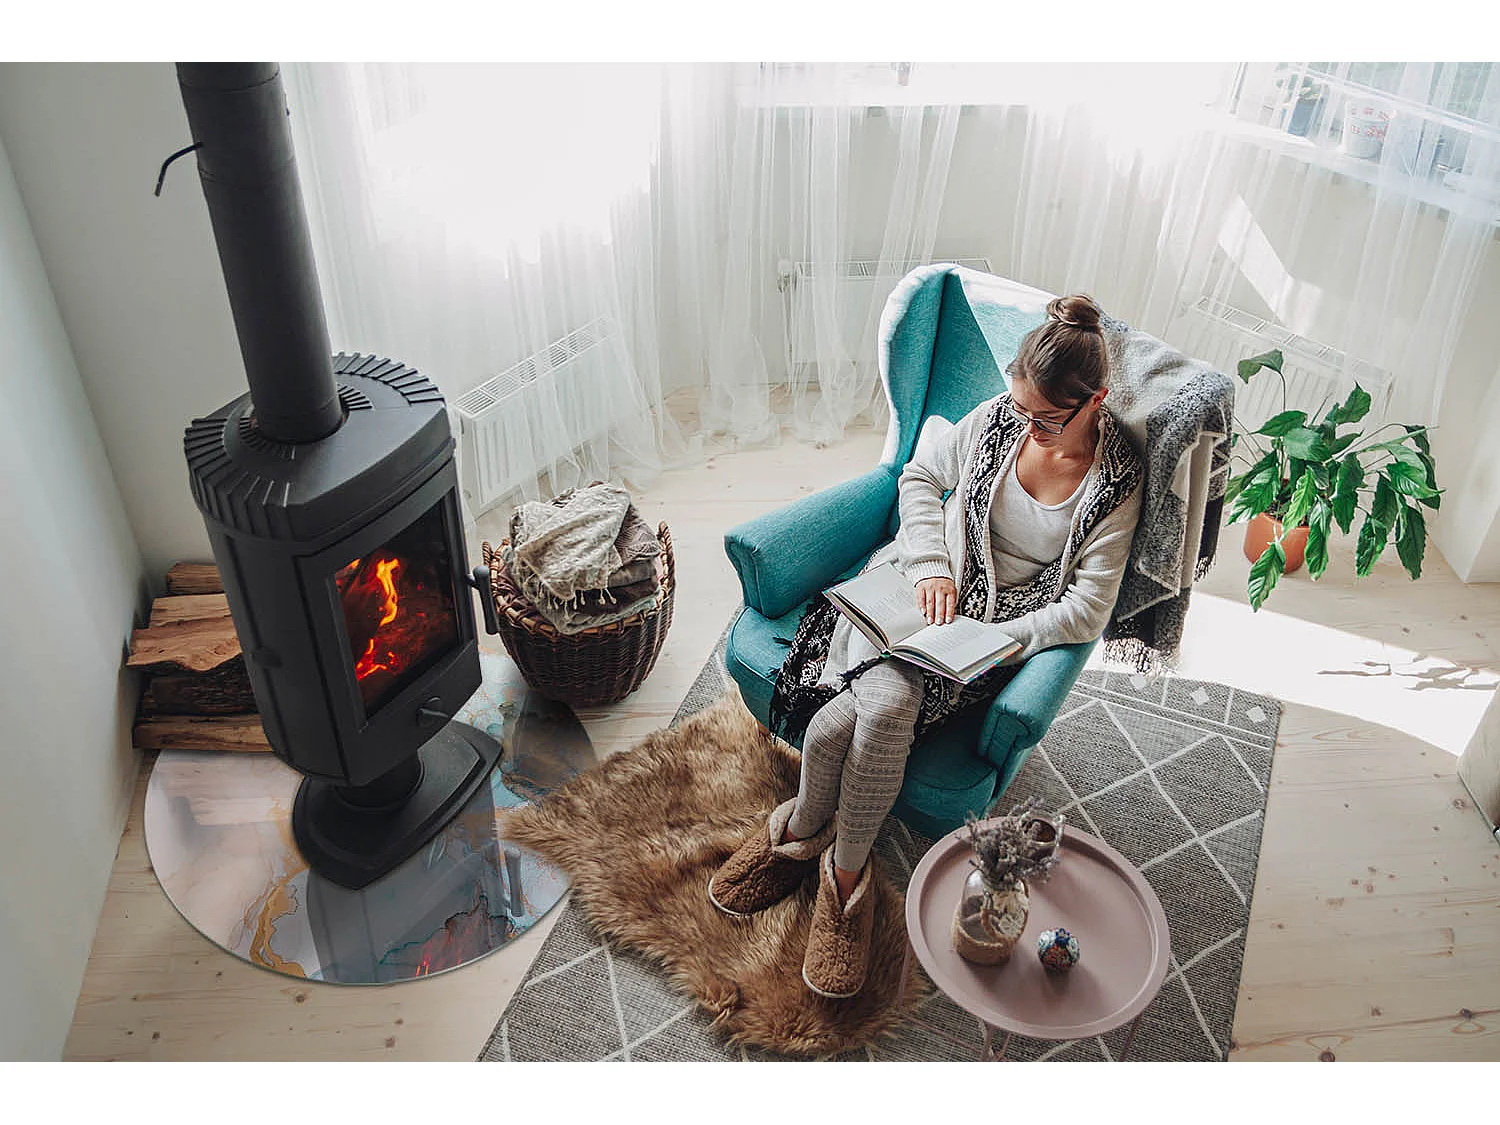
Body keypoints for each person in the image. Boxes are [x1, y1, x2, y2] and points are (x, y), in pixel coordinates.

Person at [708, 293, 1145, 999]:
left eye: (1045, 419)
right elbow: (919, 476)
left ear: (1094, 400)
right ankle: (838, 875)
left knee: (853, 721)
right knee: (879, 711)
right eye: (1019, 408)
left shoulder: (1116, 482)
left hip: (991, 633)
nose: (1026, 429)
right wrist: (932, 566)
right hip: (917, 583)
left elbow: (1087, 608)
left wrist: (1001, 641)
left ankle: (812, 851)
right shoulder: (1003, 417)